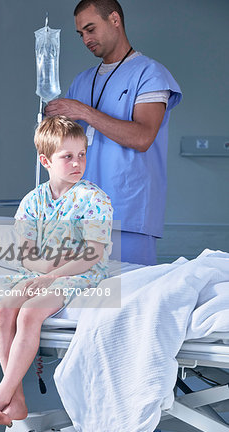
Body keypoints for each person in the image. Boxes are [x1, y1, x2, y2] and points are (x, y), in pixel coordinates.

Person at [0, 116, 113, 432]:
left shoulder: (94, 199)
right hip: (41, 271)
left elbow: (93, 255)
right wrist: (42, 273)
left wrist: (52, 276)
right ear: (45, 160)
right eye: (67, 156)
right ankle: (16, 400)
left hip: (81, 272)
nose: (77, 162)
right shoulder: (33, 202)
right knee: (3, 310)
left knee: (30, 314)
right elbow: (26, 254)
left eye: (81, 154)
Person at [45, 0, 182, 265]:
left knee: (128, 300)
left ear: (115, 20)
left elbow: (142, 138)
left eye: (91, 29)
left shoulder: (149, 74)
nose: (86, 39)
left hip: (127, 212)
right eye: (81, 33)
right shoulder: (83, 80)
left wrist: (84, 112)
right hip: (79, 214)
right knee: (81, 302)